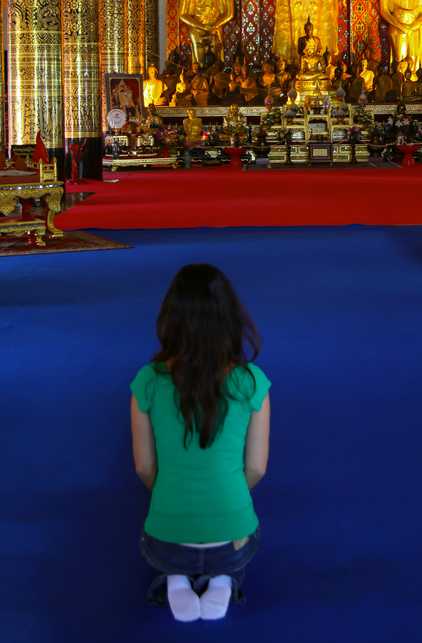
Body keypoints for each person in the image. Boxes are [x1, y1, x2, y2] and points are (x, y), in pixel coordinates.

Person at [130, 264, 271, 623]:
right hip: (232, 543)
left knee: (163, 546)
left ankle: (173, 579)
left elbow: (145, 468)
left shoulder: (147, 381)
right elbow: (255, 468)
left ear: (170, 318)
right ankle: (224, 579)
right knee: (237, 547)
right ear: (230, 318)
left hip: (167, 542)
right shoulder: (252, 382)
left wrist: (174, 494)